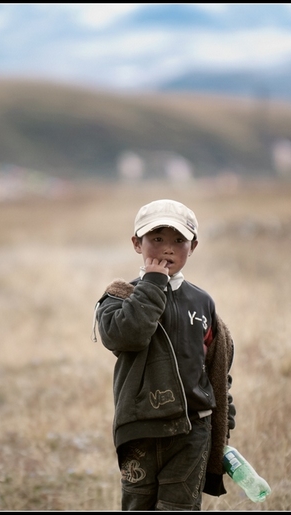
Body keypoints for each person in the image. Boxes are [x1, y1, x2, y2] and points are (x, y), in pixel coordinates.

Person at [92, 199, 236, 510]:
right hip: (140, 429)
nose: (168, 249)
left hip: (192, 429)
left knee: (180, 507)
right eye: (157, 239)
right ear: (136, 243)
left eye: (178, 241)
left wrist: (225, 422)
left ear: (193, 246)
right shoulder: (121, 297)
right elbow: (128, 335)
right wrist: (153, 283)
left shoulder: (201, 302)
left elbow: (216, 368)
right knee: (138, 505)